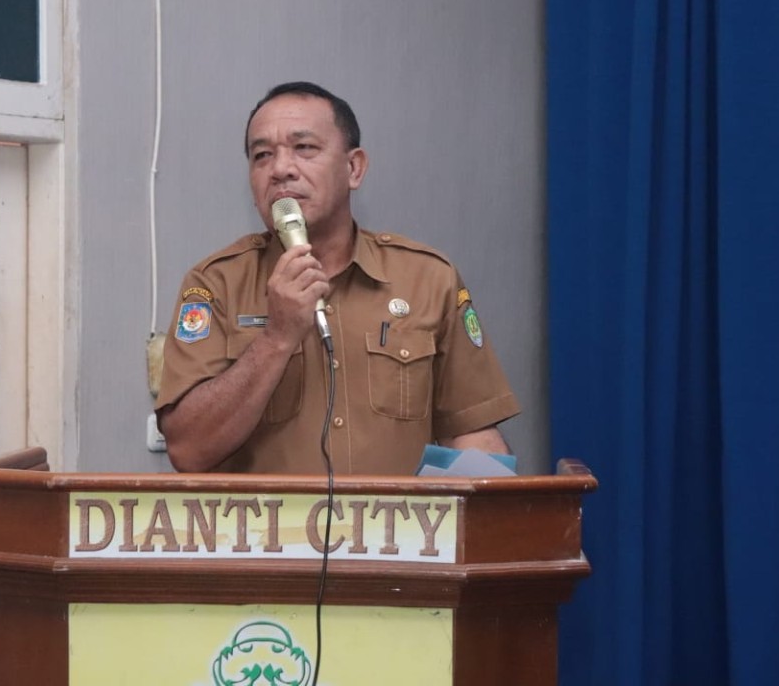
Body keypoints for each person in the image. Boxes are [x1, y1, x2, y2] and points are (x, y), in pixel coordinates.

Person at [155, 81, 519, 475]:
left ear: (353, 168)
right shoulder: (216, 284)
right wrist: (276, 338)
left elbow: (471, 433)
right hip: (269, 519)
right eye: (262, 155)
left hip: (393, 519)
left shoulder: (427, 279)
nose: (280, 169)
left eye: (304, 148)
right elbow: (188, 450)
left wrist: (502, 504)